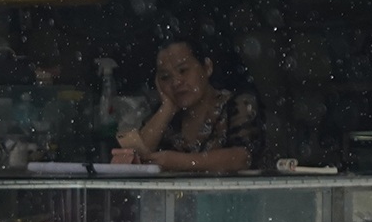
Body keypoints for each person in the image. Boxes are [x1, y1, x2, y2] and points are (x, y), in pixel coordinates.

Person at [112, 37, 265, 173]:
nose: (176, 82)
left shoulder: (238, 104)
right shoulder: (167, 117)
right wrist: (167, 108)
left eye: (183, 70)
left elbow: (242, 158)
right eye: (165, 77)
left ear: (207, 67)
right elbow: (134, 159)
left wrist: (179, 162)